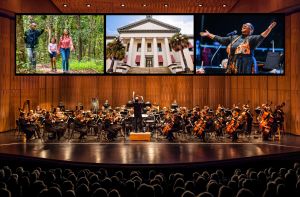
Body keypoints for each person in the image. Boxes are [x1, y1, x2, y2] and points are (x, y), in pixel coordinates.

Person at [200, 21, 277, 74]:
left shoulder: (252, 39)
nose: (244, 25)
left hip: (244, 67)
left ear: (251, 30)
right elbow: (220, 39)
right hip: (231, 67)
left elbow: (262, 36)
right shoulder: (234, 37)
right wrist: (208, 34)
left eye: (247, 25)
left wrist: (269, 29)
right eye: (244, 24)